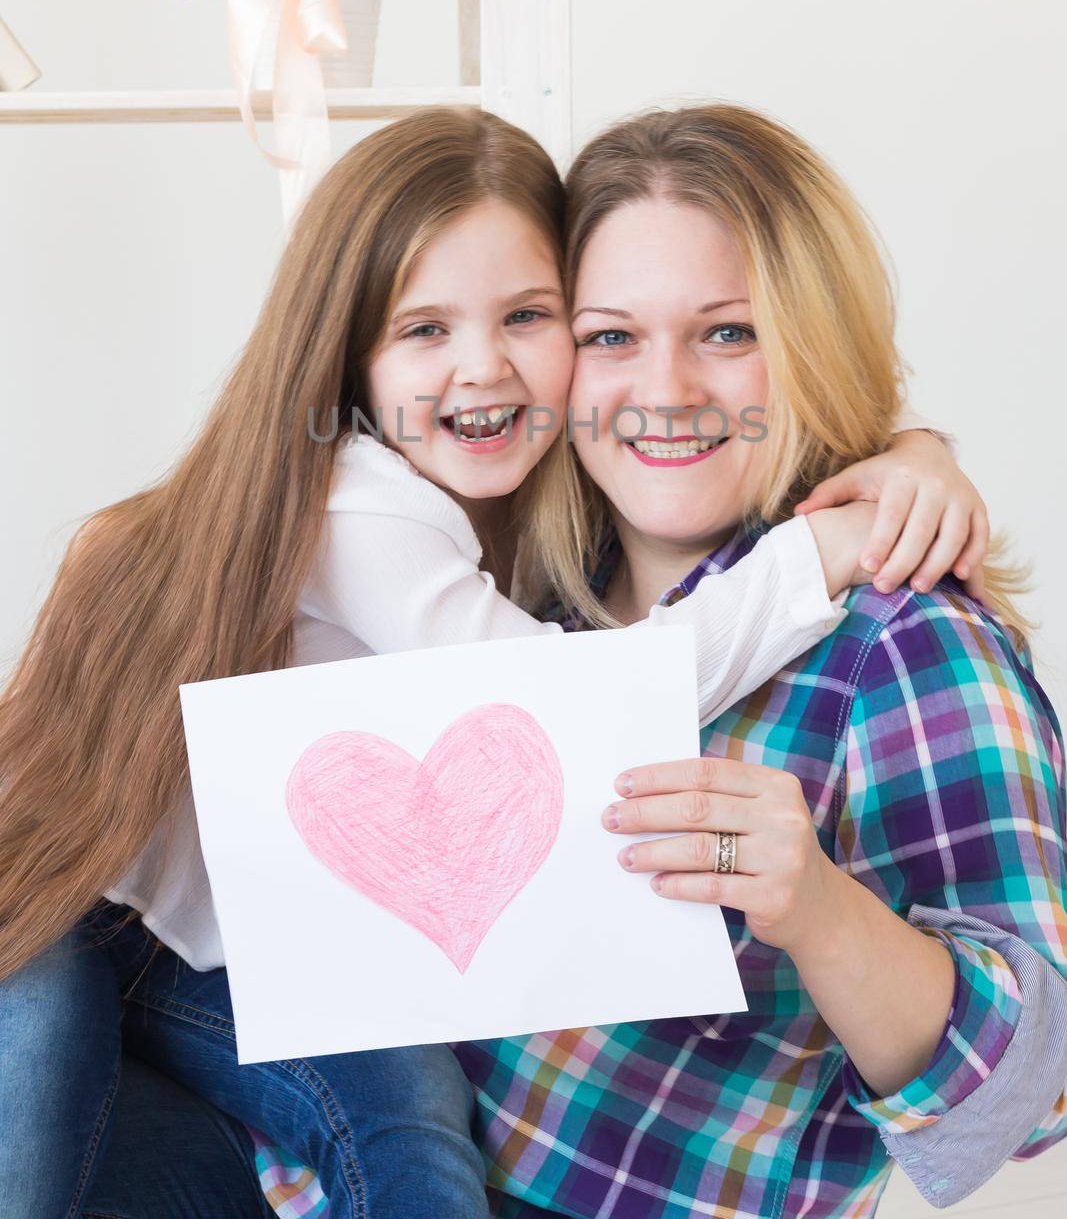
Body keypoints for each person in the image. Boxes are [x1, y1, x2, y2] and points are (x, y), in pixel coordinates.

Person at [0, 109, 977, 1219]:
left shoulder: (523, 512)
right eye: (424, 329)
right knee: (350, 1136)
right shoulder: (364, 508)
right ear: (350, 361)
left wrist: (907, 448)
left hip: (242, 970)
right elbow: (573, 705)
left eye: (529, 316)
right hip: (120, 931)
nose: (483, 365)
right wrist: (816, 553)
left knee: (399, 1127)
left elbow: (732, 392)